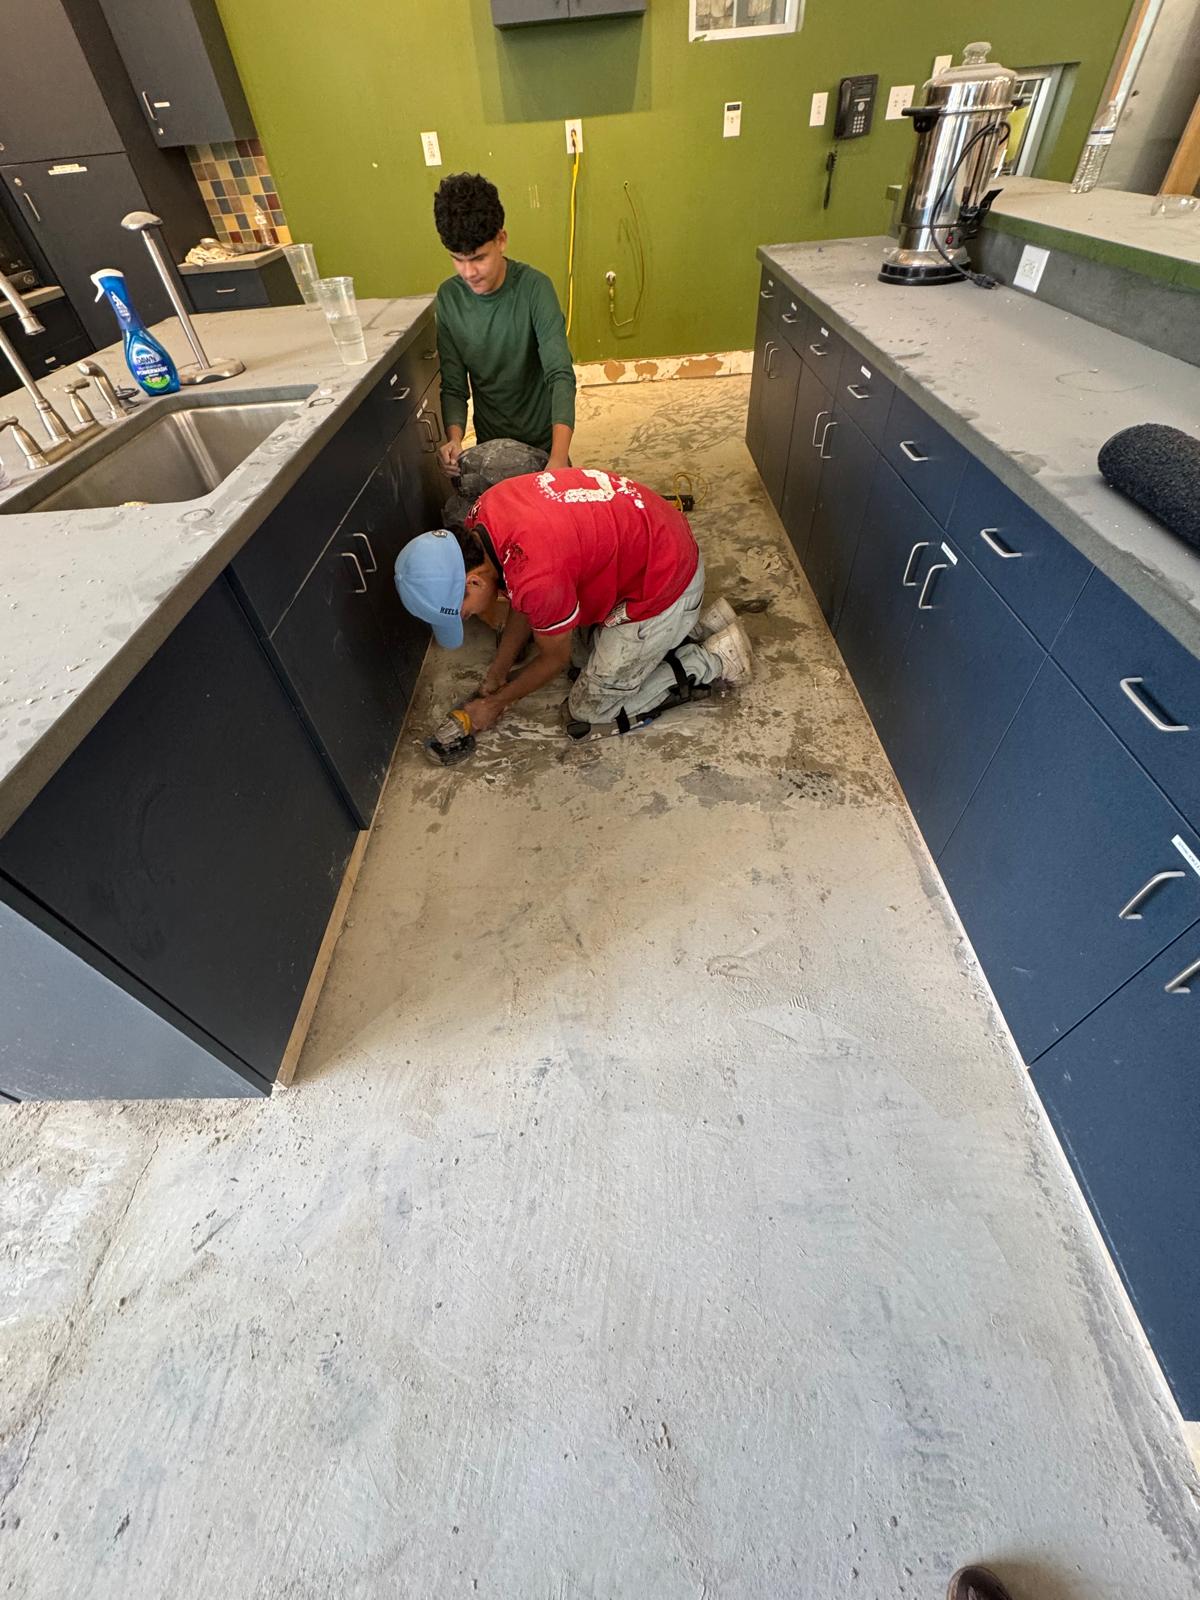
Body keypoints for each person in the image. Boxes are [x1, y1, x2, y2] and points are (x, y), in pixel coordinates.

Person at [393, 467, 753, 739]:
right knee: (584, 656)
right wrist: (497, 674)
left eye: (463, 612)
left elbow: (555, 657)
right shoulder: (483, 515)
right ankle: (701, 626)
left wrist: (496, 703)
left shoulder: (538, 576)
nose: (468, 616)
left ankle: (715, 659)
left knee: (589, 710)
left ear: (474, 581)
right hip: (658, 543)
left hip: (667, 583)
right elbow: (521, 596)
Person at [433, 172, 575, 477]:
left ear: (501, 240)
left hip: (544, 446)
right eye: (457, 259)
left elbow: (560, 375)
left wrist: (558, 458)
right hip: (490, 450)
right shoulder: (449, 299)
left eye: (478, 258)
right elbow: (454, 385)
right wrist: (454, 440)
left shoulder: (535, 288)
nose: (468, 272)